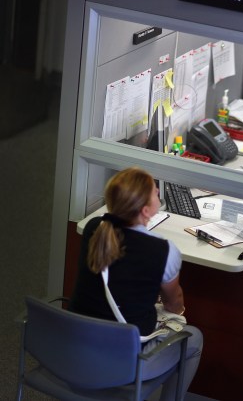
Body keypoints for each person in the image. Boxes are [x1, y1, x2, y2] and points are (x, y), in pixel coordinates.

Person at [69, 167, 202, 400]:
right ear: (145, 210)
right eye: (154, 190)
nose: (159, 189)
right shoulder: (164, 250)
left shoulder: (93, 228)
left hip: (75, 344)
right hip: (124, 361)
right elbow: (174, 304)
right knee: (194, 337)